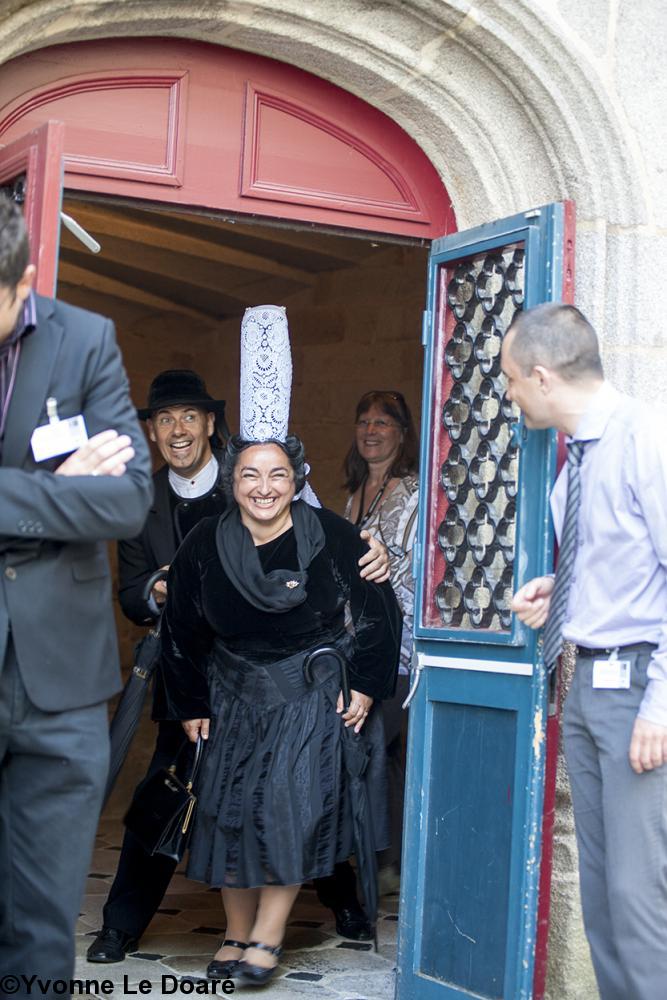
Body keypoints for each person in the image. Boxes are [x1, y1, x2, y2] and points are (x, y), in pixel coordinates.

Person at [87, 372, 392, 963]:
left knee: (299, 799)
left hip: (293, 684)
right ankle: (123, 922)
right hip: (202, 679)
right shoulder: (147, 503)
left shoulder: (268, 486)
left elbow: (333, 561)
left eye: (188, 416)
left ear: (210, 425)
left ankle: (335, 901)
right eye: (164, 419)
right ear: (152, 432)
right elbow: (132, 594)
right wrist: (159, 590)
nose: (177, 429)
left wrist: (368, 549)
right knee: (179, 798)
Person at [160, 435, 402, 986]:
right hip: (230, 695)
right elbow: (180, 629)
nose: (263, 487)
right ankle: (235, 933)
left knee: (286, 813)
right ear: (233, 483)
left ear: (296, 482)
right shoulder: (204, 542)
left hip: (308, 696)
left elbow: (378, 612)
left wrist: (365, 686)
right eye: (250, 474)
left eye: (277, 475)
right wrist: (190, 701)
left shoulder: (335, 537)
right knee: (228, 815)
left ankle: (267, 937)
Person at [0, 195, 153, 994]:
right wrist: (58, 492)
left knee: (43, 922)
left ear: (24, 284)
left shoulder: (87, 340)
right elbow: (89, 502)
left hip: (61, 685)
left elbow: (127, 502)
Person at [502, 303, 667, 1000]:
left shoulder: (645, 438)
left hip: (638, 689)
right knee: (600, 897)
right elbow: (623, 564)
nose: (509, 394)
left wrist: (659, 706)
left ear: (542, 376)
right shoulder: (575, 461)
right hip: (586, 683)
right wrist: (560, 590)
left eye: (512, 379)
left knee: (638, 896)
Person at [343, 390, 419, 891]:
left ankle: (368, 864)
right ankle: (387, 862)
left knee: (370, 745)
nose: (371, 431)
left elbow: (415, 571)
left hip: (397, 645)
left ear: (402, 433)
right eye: (364, 421)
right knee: (384, 754)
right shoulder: (354, 494)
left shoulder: (412, 491)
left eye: (383, 423)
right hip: (356, 643)